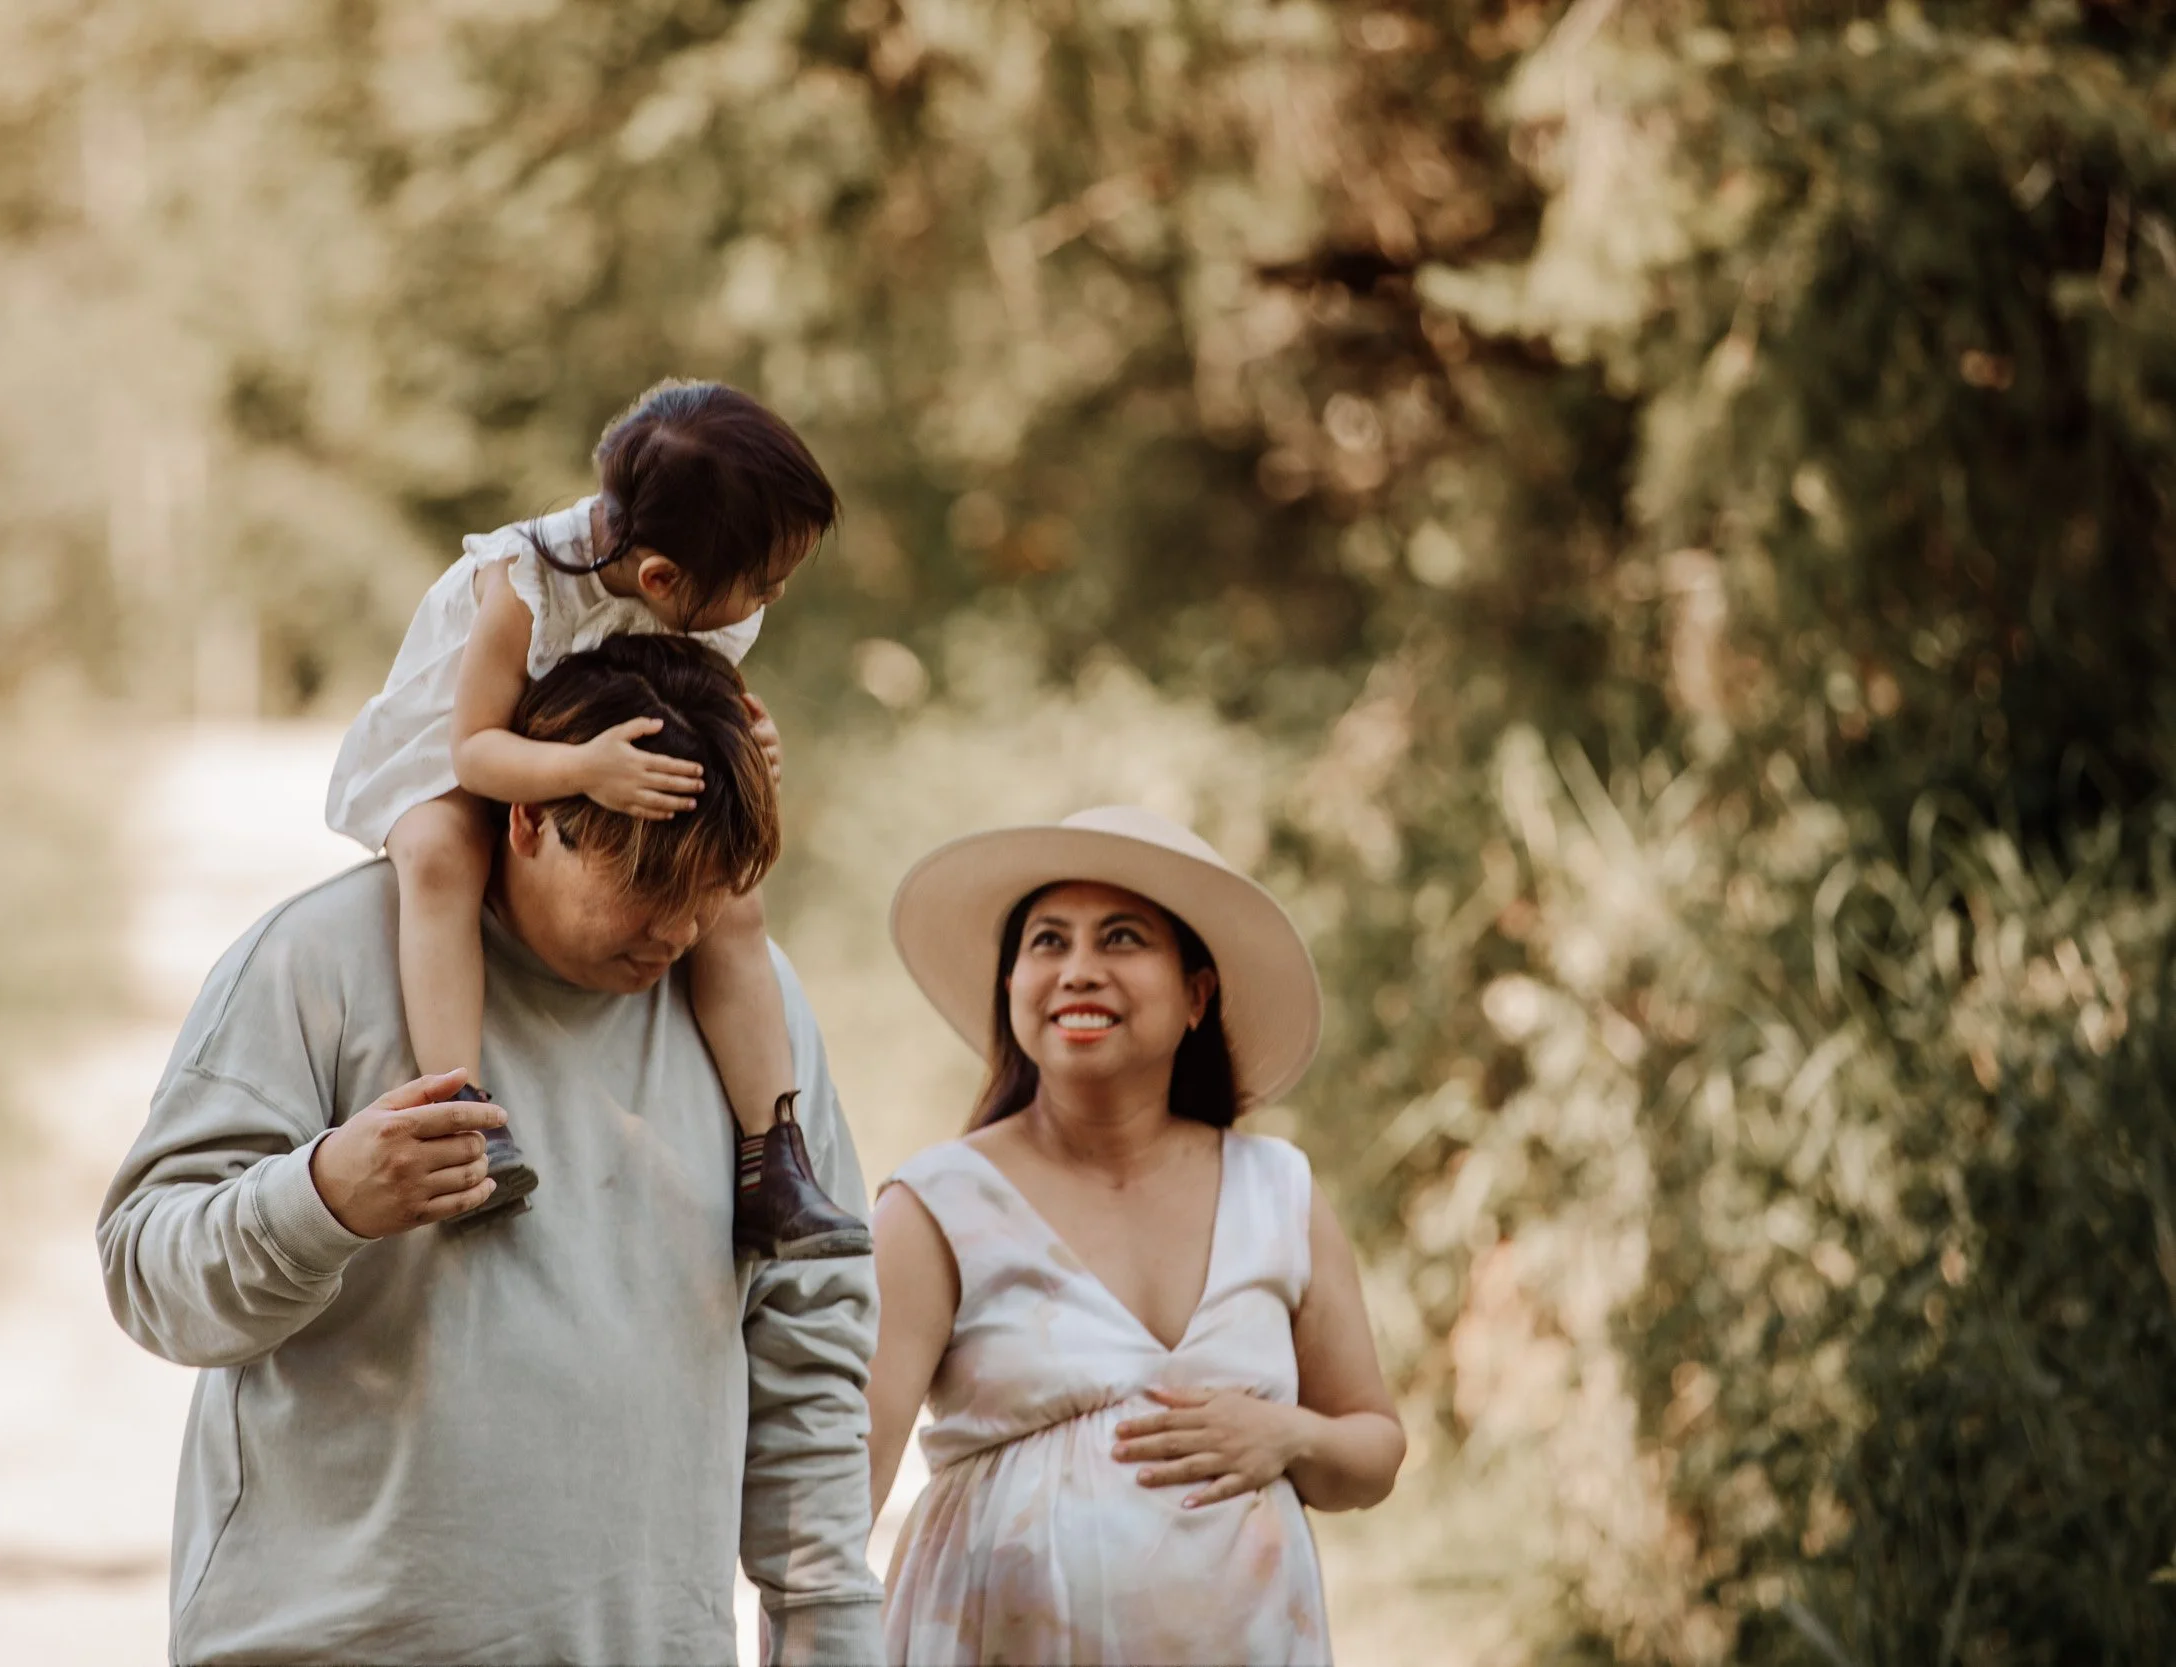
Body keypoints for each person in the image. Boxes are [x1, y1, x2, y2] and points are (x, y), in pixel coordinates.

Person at [98, 637, 884, 1666]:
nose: (679, 930)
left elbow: (809, 1342)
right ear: (528, 817)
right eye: (648, 885)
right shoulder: (320, 958)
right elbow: (148, 1274)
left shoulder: (749, 1011)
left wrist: (832, 1632)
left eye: (712, 889)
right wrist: (322, 1196)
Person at [324, 378, 869, 1261]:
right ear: (660, 578)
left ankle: (777, 1161)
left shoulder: (702, 579)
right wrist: (582, 769)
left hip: (594, 745)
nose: (770, 600)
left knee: (734, 903)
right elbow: (475, 752)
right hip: (480, 739)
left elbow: (699, 695)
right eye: (764, 585)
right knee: (439, 858)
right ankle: (462, 1115)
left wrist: (748, 740)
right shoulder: (524, 585)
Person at [865, 806, 1406, 1666]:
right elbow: (846, 1479)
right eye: (1048, 942)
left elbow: (1374, 1446)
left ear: (1197, 994)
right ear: (1011, 990)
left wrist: (1290, 1436)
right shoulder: (936, 1206)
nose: (1079, 970)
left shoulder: (1279, 1193)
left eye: (1120, 939)